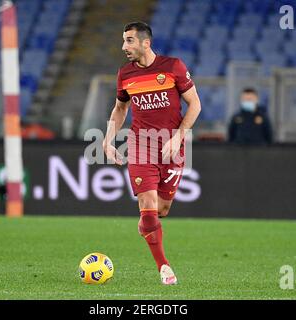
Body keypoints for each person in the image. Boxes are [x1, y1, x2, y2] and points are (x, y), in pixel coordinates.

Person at [102, 22, 201, 285]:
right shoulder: (125, 74)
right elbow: (120, 109)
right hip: (140, 146)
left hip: (172, 148)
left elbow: (195, 104)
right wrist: (108, 139)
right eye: (124, 41)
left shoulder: (173, 67)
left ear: (146, 42)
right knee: (147, 205)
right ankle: (164, 267)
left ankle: (148, 226)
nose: (124, 46)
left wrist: (179, 136)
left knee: (161, 210)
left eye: (130, 41)